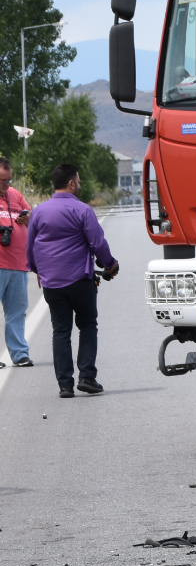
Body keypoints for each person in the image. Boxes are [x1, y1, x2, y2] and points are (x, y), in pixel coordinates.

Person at [26, 164, 119, 398]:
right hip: (79, 280)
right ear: (71, 183)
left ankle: (65, 385)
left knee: (60, 330)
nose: (80, 183)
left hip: (52, 283)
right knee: (87, 325)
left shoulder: (39, 212)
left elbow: (30, 247)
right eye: (78, 180)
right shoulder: (82, 210)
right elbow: (98, 243)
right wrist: (110, 264)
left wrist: (39, 271)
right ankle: (87, 377)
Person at [0, 156, 32, 367]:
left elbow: (32, 217)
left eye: (8, 180)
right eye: (2, 181)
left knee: (17, 312)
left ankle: (20, 354)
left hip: (19, 264)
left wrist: (27, 218)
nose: (6, 185)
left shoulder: (15, 195)